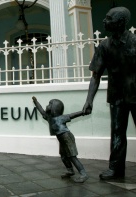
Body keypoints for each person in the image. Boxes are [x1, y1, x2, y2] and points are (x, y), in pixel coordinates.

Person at [82, 7, 136, 180]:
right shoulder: (105, 46)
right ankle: (116, 168)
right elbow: (95, 75)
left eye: (108, 18)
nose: (104, 21)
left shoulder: (135, 41)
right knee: (117, 132)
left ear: (120, 22)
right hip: (117, 95)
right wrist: (89, 100)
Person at [32, 96, 88, 183]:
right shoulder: (49, 117)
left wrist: (83, 112)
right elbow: (41, 110)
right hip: (61, 138)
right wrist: (35, 102)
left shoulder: (61, 118)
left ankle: (83, 174)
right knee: (63, 156)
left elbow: (73, 115)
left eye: (50, 104)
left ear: (55, 107)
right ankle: (70, 171)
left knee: (72, 157)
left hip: (67, 137)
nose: (47, 105)